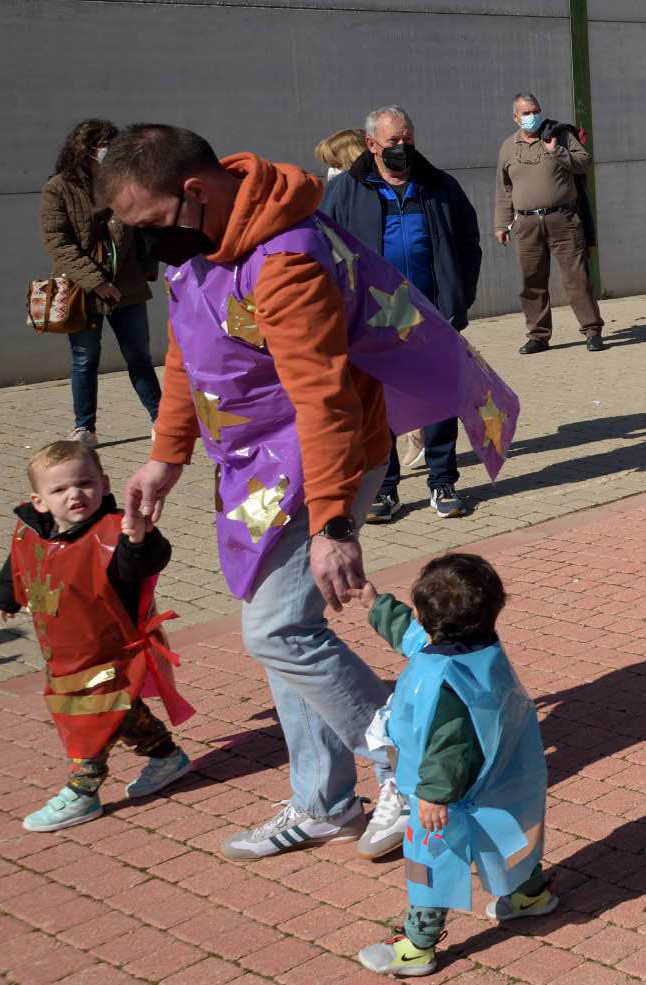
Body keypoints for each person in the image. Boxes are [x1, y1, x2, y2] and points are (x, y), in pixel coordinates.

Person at [99, 124, 520, 864]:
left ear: (195, 193)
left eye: (148, 226)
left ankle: (405, 746)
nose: (143, 246)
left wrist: (333, 523)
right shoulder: (196, 244)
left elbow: (325, 396)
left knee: (277, 630)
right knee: (285, 637)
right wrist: (166, 456)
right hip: (254, 464)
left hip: (322, 459)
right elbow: (185, 353)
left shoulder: (285, 258)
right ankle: (324, 801)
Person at [354, 554, 554, 977]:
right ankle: (530, 897)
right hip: (501, 780)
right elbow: (410, 636)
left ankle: (417, 946)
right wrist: (375, 603)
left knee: (430, 863)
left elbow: (450, 745)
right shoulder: (481, 646)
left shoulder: (446, 682)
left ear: (431, 623)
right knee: (509, 841)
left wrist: (432, 794)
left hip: (449, 795)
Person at [0, 440, 193, 832]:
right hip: (65, 653)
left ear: (103, 484)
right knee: (119, 711)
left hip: (110, 655)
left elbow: (141, 565)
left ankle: (82, 790)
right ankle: (166, 756)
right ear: (39, 501)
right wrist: (7, 596)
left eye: (84, 483)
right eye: (60, 490)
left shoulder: (114, 531)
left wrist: (140, 539)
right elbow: (18, 563)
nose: (75, 495)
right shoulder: (31, 532)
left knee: (88, 718)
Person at [319, 107, 482, 523]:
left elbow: (468, 242)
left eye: (407, 139)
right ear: (372, 145)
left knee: (439, 398)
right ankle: (385, 489)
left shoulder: (439, 186)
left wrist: (458, 297)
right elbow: (323, 250)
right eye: (393, 142)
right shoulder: (347, 192)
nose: (402, 148)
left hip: (432, 312)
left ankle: (443, 481)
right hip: (373, 319)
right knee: (380, 406)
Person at [40, 120, 161, 446]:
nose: (111, 152)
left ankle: (162, 421)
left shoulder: (124, 183)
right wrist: (96, 282)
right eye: (105, 146)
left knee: (139, 357)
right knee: (84, 360)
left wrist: (149, 269)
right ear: (86, 149)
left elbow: (146, 227)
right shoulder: (59, 188)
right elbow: (58, 242)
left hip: (128, 286)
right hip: (82, 290)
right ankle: (85, 428)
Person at [495, 92, 603, 355]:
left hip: (563, 219)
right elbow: (504, 188)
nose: (532, 117)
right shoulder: (508, 146)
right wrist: (501, 223)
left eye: (535, 111)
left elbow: (585, 163)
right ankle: (538, 336)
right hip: (527, 224)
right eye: (526, 113)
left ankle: (592, 331)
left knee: (576, 279)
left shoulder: (560, 135)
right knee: (532, 280)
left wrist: (557, 152)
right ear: (515, 117)